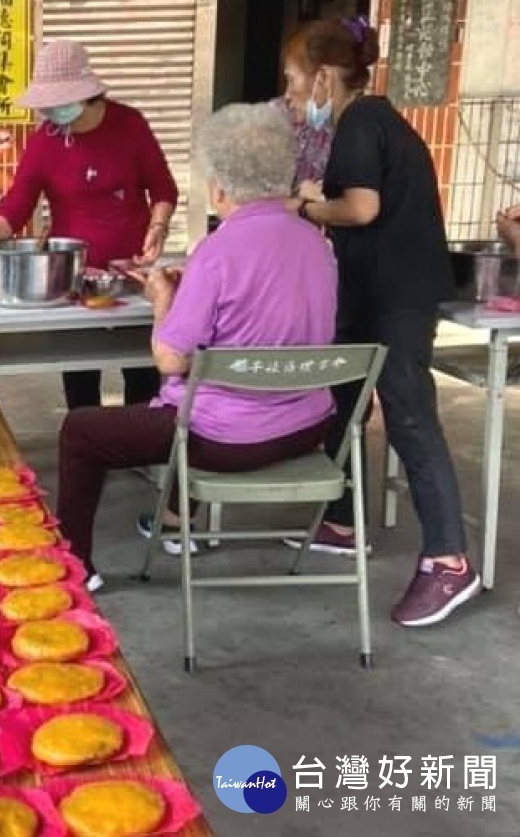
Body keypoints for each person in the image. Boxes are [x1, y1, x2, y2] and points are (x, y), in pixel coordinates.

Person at [55, 103, 336, 591]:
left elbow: (170, 360)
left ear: (220, 187)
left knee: (83, 429)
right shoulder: (318, 244)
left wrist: (165, 298)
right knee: (202, 399)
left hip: (225, 442)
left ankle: (74, 565)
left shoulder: (217, 252)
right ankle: (173, 522)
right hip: (307, 426)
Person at [284, 17, 481, 628]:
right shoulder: (372, 123)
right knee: (342, 399)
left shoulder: (362, 122)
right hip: (370, 291)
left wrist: (307, 206)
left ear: (322, 77)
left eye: (292, 81)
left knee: (410, 416)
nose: (291, 95)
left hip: (397, 295)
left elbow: (361, 208)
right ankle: (344, 520)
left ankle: (449, 561)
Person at [0, 40, 178, 411]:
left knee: (141, 372)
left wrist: (157, 227)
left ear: (87, 94)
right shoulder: (44, 141)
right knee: (80, 370)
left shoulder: (130, 125)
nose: (51, 111)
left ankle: (141, 447)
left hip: (132, 272)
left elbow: (163, 188)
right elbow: (16, 206)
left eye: (57, 101)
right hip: (72, 276)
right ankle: (90, 440)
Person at [271, 25, 336, 191]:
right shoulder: (277, 114)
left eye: (291, 80)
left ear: (322, 79)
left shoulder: (353, 133)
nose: (287, 94)